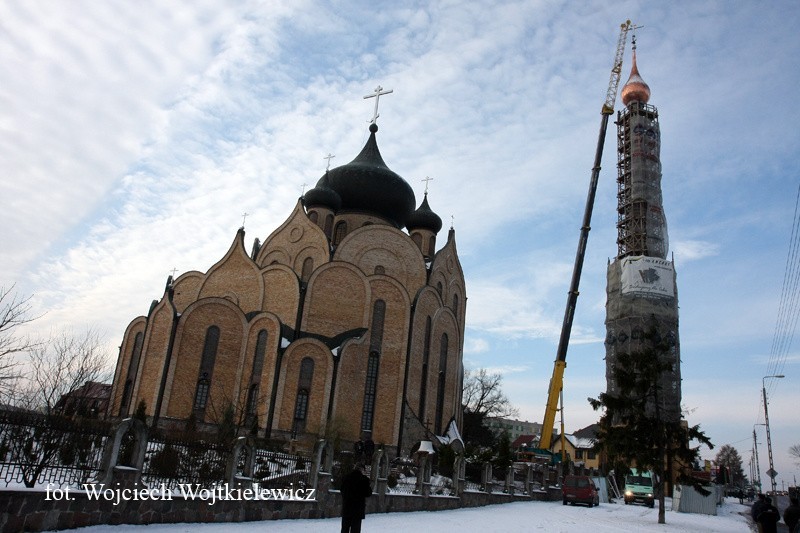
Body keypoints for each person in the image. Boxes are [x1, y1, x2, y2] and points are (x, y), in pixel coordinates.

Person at [341, 463, 372, 533]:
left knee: (344, 529)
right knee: (355, 530)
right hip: (357, 509)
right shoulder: (364, 480)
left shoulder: (346, 478)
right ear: (362, 470)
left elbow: (342, 490)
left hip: (347, 507)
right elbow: (368, 493)